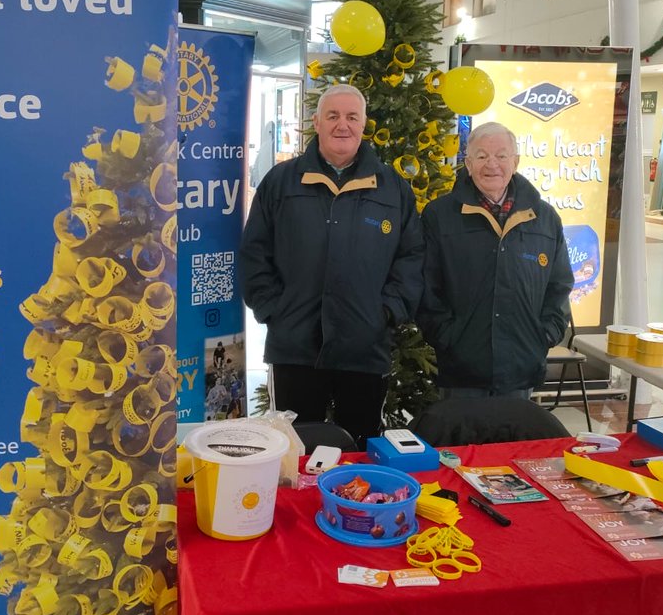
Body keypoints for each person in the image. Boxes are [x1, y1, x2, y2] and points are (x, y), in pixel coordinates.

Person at [239, 83, 423, 448]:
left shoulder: (392, 188)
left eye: (352, 117)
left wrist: (387, 312)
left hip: (365, 347)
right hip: (295, 348)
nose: (343, 125)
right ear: (317, 122)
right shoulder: (281, 182)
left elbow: (411, 257)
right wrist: (273, 308)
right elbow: (254, 252)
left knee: (360, 447)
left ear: (363, 124)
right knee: (293, 450)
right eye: (333, 116)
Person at [418, 121, 572, 400]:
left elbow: (559, 287)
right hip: (461, 373)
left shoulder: (545, 219)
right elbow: (427, 288)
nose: (492, 164)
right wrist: (446, 337)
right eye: (481, 156)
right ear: (468, 163)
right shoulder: (439, 216)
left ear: (515, 161)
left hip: (520, 370)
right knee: (461, 431)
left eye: (501, 155)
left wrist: (544, 335)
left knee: (514, 432)